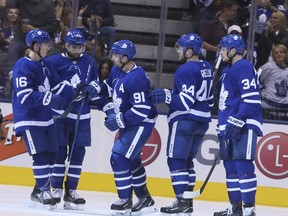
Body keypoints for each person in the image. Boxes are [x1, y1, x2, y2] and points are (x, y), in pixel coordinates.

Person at [82, 39, 158, 215]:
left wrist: (119, 120)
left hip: (141, 122)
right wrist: (96, 87)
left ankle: (125, 200)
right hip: (132, 122)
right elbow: (110, 87)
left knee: (118, 157)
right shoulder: (117, 70)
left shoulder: (137, 77)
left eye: (116, 54)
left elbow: (142, 109)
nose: (112, 57)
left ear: (125, 58)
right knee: (131, 161)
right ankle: (145, 199)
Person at [46, 29, 114, 211]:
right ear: (65, 45)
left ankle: (71, 192)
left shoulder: (90, 62)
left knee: (77, 157)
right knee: (59, 154)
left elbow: (95, 86)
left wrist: (94, 89)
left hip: (82, 117)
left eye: (80, 46)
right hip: (60, 115)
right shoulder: (53, 61)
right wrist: (67, 91)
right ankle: (56, 190)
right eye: (73, 46)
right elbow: (49, 86)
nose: (76, 50)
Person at [149, 33, 214, 215]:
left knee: (176, 160)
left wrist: (167, 96)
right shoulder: (207, 67)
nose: (178, 50)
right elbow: (210, 101)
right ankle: (187, 202)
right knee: (187, 161)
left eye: (181, 47)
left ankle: (181, 200)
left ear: (190, 51)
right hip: (202, 121)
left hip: (185, 120)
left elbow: (185, 102)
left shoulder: (184, 70)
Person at [12, 29, 67, 208]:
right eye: (46, 44)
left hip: (46, 118)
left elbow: (57, 85)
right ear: (36, 45)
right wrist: (51, 98)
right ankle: (44, 191)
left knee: (53, 154)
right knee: (41, 155)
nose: (49, 47)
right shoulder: (23, 65)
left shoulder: (45, 65)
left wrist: (76, 91)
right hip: (29, 119)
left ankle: (38, 191)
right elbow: (25, 96)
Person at [214, 34, 263, 216]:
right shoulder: (227, 69)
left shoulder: (243, 66)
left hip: (244, 124)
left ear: (233, 50)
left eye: (223, 49)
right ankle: (236, 209)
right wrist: (223, 124)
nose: (220, 52)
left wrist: (237, 119)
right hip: (229, 125)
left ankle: (249, 209)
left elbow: (251, 99)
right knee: (231, 168)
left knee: (242, 166)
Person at [259, 44, 288, 120]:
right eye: (276, 53)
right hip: (268, 107)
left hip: (285, 108)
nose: (279, 54)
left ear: (286, 54)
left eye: (281, 52)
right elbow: (257, 80)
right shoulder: (268, 67)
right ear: (273, 56)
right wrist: (263, 93)